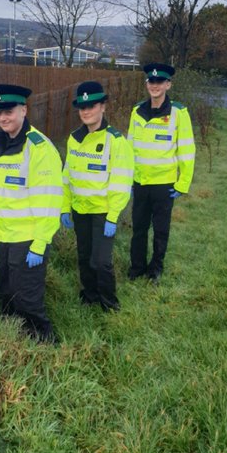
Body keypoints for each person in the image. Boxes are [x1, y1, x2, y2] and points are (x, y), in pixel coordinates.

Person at [0, 83, 64, 342]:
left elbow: (50, 201)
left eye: (9, 111)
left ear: (24, 110)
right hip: (4, 237)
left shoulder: (40, 149)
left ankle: (44, 345)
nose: (3, 118)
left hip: (28, 239)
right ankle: (12, 342)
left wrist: (40, 244)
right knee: (5, 294)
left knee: (27, 299)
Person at [60, 81, 134, 312]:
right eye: (82, 107)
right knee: (84, 258)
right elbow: (66, 177)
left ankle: (110, 304)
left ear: (103, 107)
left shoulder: (116, 141)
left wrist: (113, 216)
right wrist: (64, 207)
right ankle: (90, 296)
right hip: (80, 211)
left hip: (103, 212)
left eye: (92, 106)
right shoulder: (74, 139)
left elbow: (121, 181)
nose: (86, 111)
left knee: (100, 261)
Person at [127, 63, 196, 282]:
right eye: (151, 82)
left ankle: (155, 269)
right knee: (138, 229)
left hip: (164, 185)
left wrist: (182, 183)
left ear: (168, 85)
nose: (154, 86)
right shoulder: (137, 111)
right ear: (147, 84)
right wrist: (126, 179)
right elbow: (129, 148)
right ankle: (137, 268)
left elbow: (186, 149)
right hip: (140, 182)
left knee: (160, 230)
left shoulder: (179, 113)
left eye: (159, 82)